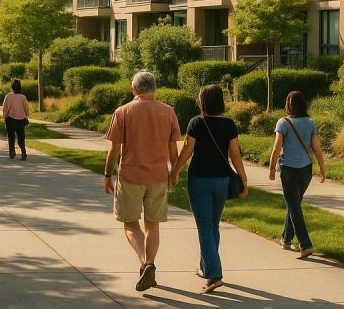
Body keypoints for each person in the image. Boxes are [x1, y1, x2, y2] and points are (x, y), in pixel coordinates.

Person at [103, 70, 180, 293]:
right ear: (154, 88)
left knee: (130, 223)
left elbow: (114, 148)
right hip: (157, 176)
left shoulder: (123, 111)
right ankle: (150, 263)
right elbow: (172, 146)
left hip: (130, 176)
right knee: (152, 224)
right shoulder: (168, 112)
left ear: (134, 90)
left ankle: (145, 262)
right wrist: (174, 172)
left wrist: (108, 174)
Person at [170, 84, 249, 294]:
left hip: (200, 180)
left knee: (205, 226)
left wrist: (175, 170)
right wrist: (244, 180)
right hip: (222, 180)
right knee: (213, 225)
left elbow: (187, 150)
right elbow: (235, 155)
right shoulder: (229, 124)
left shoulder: (197, 123)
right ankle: (205, 268)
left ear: (202, 102)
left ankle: (214, 275)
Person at [269, 90, 327, 258]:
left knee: (294, 206)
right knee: (293, 204)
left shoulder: (283, 122)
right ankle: (286, 239)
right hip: (306, 171)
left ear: (288, 105)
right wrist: (323, 170)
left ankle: (305, 245)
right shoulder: (310, 123)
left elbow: (276, 147)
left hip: (288, 170)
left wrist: (272, 167)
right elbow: (317, 148)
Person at [1, 79, 31, 161]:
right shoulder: (23, 97)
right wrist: (26, 115)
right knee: (21, 136)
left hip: (10, 118)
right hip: (21, 119)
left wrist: (5, 117)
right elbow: (26, 109)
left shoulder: (8, 96)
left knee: (11, 136)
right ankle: (23, 151)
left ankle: (12, 151)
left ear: (12, 87)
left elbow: (5, 108)